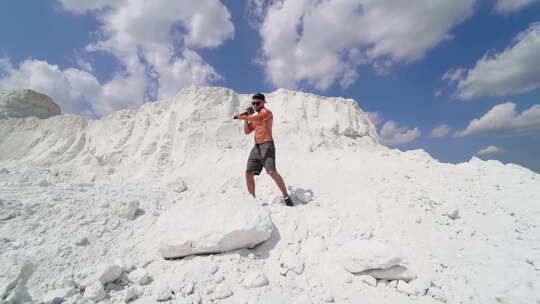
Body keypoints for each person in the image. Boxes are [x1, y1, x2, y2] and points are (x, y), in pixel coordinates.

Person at [234, 93, 294, 206]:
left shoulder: (266, 113)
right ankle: (251, 201)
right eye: (253, 103)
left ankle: (286, 196)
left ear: (263, 103)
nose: (255, 105)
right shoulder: (253, 117)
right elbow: (247, 132)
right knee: (248, 173)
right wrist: (246, 119)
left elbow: (259, 118)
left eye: (257, 103)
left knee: (271, 172)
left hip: (267, 145)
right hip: (256, 147)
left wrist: (242, 116)